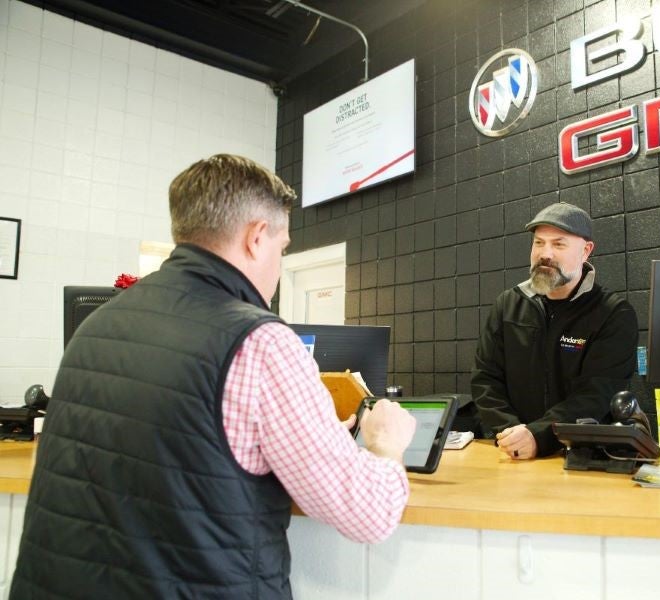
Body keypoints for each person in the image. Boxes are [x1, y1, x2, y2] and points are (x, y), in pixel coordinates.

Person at [10, 154, 416, 599]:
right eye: (282, 249)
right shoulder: (261, 343)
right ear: (257, 237)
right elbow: (369, 513)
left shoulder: (97, 325)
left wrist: (301, 436)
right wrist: (385, 444)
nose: (279, 272)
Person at [471, 202, 638, 460]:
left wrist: (539, 436)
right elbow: (485, 379)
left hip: (581, 456)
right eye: (539, 243)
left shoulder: (614, 313)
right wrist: (511, 434)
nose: (545, 253)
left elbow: (597, 394)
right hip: (510, 453)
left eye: (558, 244)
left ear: (586, 251)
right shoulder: (507, 305)